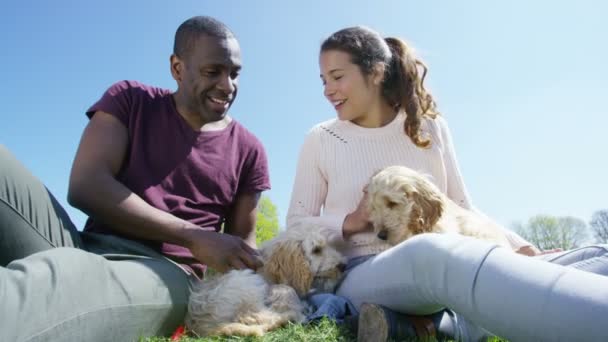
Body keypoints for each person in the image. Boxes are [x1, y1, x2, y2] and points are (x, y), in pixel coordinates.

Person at [287, 25, 608, 341]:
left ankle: (438, 328)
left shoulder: (428, 127)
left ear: (376, 72)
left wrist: (519, 247)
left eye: (337, 77)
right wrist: (351, 223)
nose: (327, 90)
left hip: (452, 256)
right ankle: (455, 323)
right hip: (363, 271)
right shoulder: (322, 139)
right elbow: (297, 224)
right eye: (324, 80)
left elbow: (462, 206)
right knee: (434, 253)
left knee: (598, 255)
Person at [0, 16, 270, 342]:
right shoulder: (130, 99)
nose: (228, 85)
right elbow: (86, 185)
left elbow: (242, 248)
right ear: (177, 68)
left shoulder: (249, 149)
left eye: (235, 73)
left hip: (167, 272)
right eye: (213, 72)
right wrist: (193, 235)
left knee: (63, 285)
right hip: (81, 245)